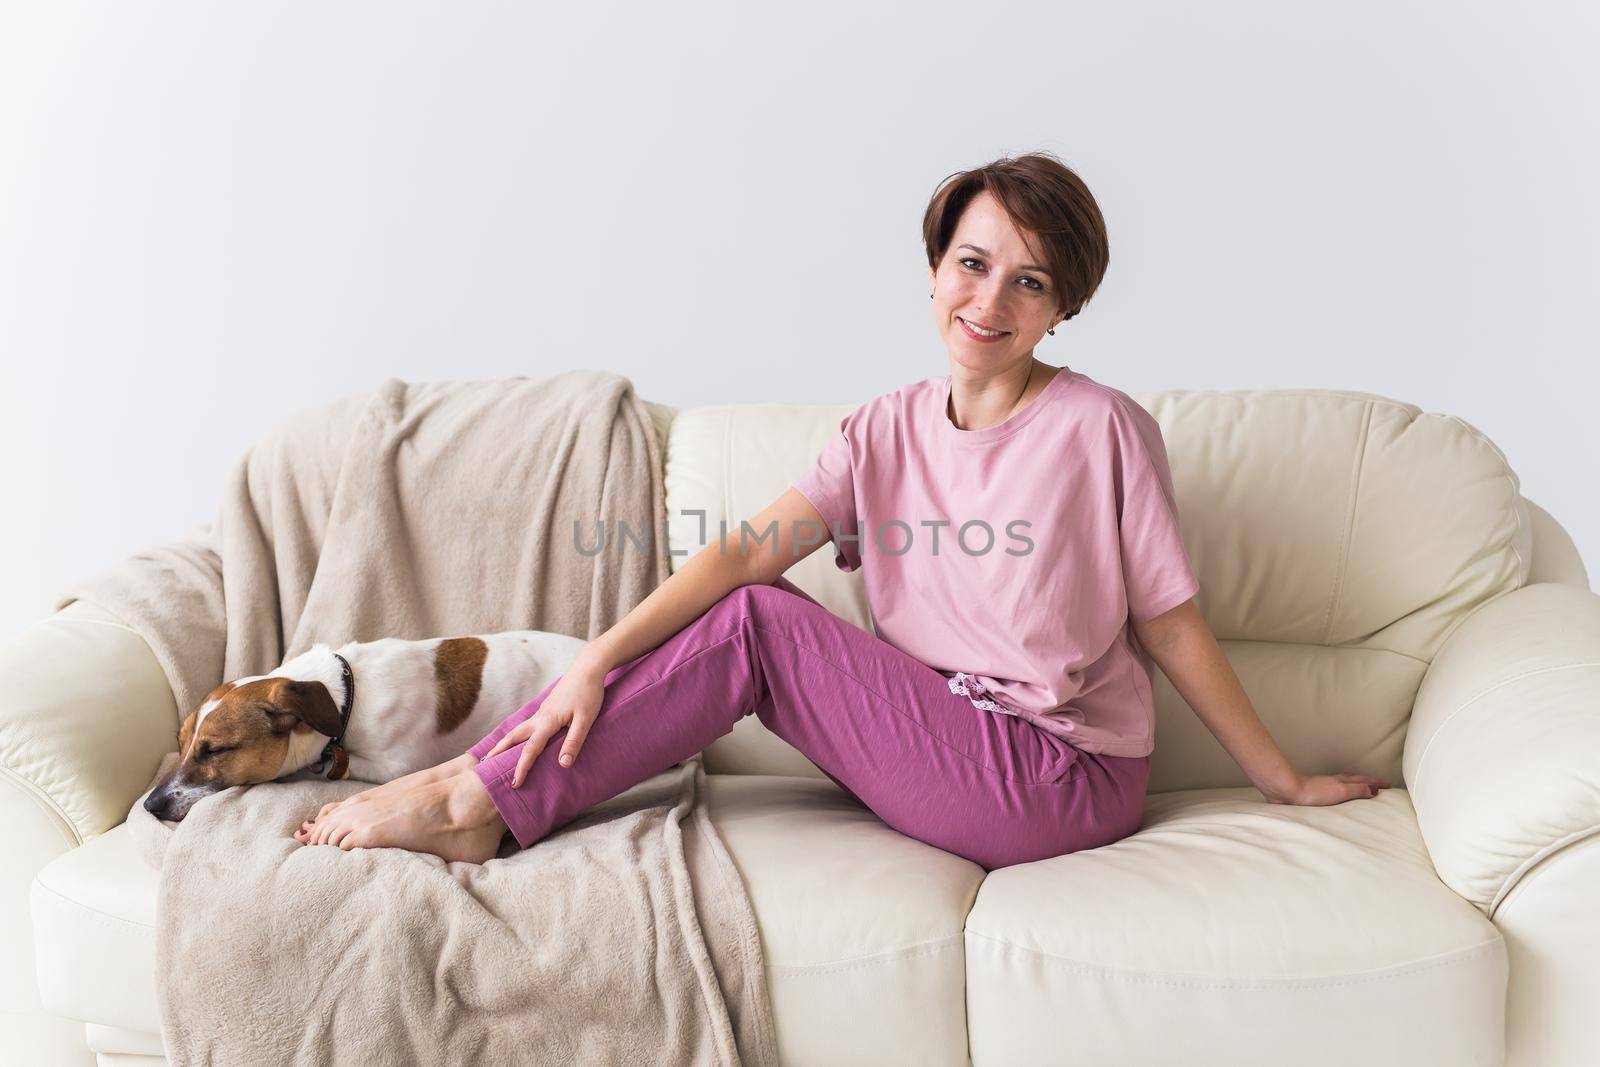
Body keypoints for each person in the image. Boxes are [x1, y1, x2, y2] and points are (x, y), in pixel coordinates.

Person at [295, 152, 1389, 868]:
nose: (990, 300)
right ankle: (478, 782)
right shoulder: (881, 430)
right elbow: (738, 556)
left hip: (1060, 774)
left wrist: (1278, 776)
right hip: (937, 730)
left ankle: (469, 802)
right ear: (931, 268)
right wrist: (594, 659)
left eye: (1030, 281)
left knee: (765, 627)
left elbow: (1171, 623)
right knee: (747, 604)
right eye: (973, 263)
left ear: (1063, 307)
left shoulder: (1101, 430)